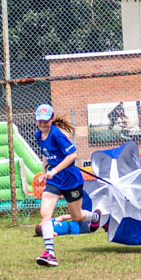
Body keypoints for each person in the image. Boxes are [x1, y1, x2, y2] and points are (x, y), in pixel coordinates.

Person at [33, 103, 100, 267]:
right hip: (54, 180)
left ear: (51, 119)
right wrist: (44, 171)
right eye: (40, 121)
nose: (43, 124)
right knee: (45, 213)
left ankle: (94, 217)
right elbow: (46, 154)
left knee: (77, 216)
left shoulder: (57, 135)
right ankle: (50, 254)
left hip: (70, 179)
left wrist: (55, 170)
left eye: (46, 120)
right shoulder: (38, 135)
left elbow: (73, 155)